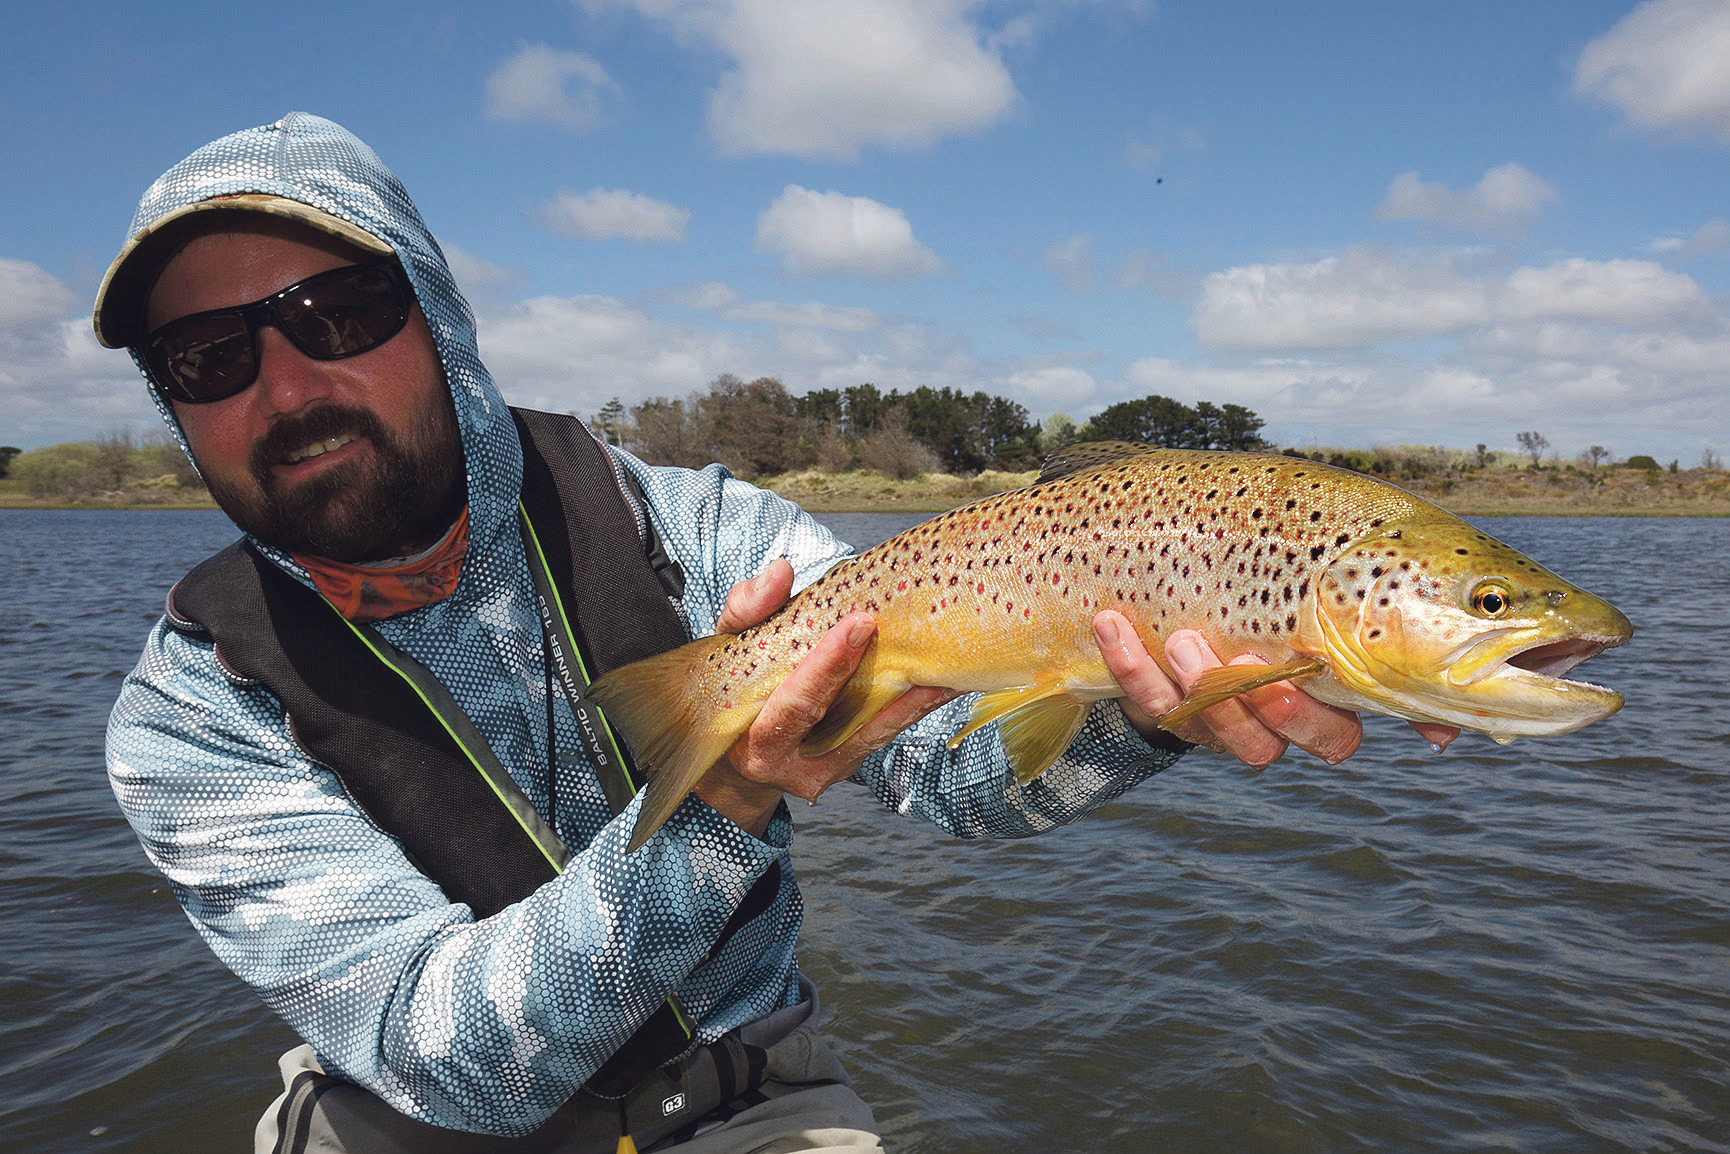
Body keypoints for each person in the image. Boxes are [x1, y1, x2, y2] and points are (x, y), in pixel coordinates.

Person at [97, 113, 1449, 1153]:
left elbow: (962, 786)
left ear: (438, 316)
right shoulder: (189, 713)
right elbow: (450, 1053)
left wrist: (1136, 710)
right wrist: (722, 798)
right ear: (175, 404)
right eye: (208, 358)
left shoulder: (696, 533)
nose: (287, 380)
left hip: (745, 1104)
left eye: (338, 312)